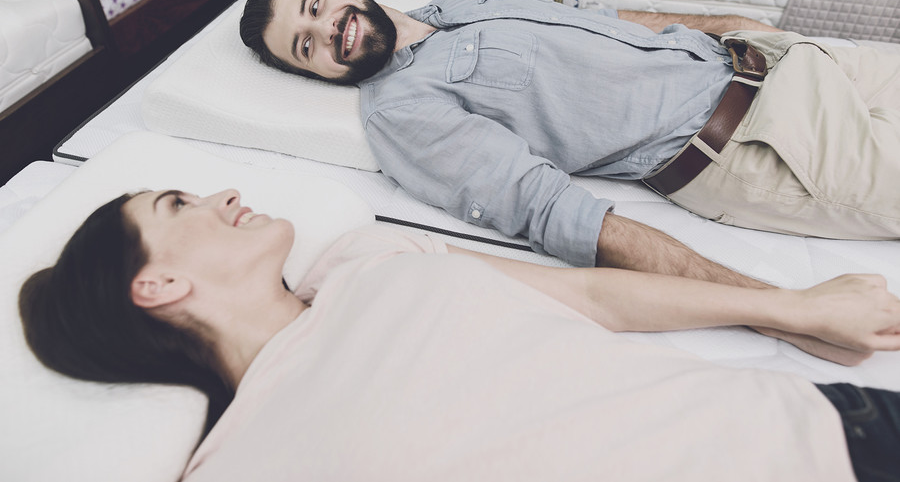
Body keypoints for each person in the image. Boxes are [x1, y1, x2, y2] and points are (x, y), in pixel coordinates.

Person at [17, 189, 900, 481]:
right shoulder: (232, 464)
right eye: (178, 204)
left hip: (825, 437)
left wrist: (795, 306)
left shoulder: (364, 259)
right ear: (156, 283)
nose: (219, 196)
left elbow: (593, 295)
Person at [238, 0, 900, 301]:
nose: (328, 31)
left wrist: (725, 23)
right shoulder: (401, 114)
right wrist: (780, 307)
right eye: (306, 47)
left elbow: (604, 17)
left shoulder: (461, 0)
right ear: (315, 73)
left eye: (316, 6)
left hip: (780, 58)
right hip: (757, 144)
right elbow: (556, 214)